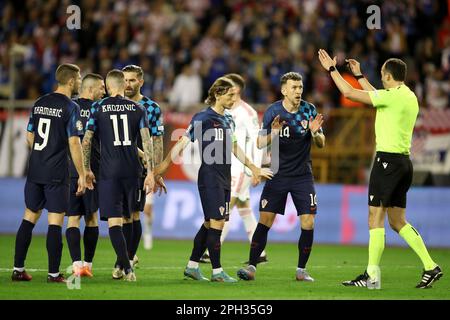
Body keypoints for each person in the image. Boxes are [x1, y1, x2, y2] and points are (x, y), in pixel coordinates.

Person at [317, 49, 443, 289]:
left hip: (387, 162)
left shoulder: (392, 97)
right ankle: (430, 266)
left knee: (375, 217)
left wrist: (332, 70)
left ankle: (371, 276)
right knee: (397, 221)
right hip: (404, 163)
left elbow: (349, 92)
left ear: (387, 76)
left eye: (382, 74)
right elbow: (378, 96)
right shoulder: (407, 95)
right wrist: (360, 74)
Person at [154, 77, 273, 282]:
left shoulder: (229, 119)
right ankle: (217, 272)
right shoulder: (203, 117)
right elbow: (182, 143)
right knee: (217, 222)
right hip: (210, 177)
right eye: (229, 95)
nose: (232, 99)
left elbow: (234, 147)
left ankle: (192, 267)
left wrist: (254, 168)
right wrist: (163, 167)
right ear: (217, 94)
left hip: (225, 176)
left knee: (210, 223)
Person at [237, 72, 325, 282]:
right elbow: (259, 143)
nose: (298, 91)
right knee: (265, 220)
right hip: (277, 174)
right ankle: (251, 266)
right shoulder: (273, 111)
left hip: (303, 175)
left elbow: (321, 142)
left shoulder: (309, 110)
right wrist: (273, 133)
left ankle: (301, 270)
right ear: (284, 90)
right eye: (294, 87)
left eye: (300, 87)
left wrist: (315, 133)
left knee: (308, 221)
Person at [12, 63, 91, 283]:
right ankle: (54, 274)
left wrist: (42, 154)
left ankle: (18, 269)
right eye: (79, 78)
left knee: (29, 216)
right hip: (57, 172)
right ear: (71, 81)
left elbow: (30, 137)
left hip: (36, 169)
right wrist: (83, 173)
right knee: (55, 221)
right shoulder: (70, 107)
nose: (80, 82)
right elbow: (74, 143)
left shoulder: (39, 103)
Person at [82, 69, 156, 282]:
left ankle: (126, 267)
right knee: (132, 215)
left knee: (114, 221)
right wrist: (150, 172)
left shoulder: (98, 107)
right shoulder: (138, 108)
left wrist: (86, 169)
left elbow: (87, 140)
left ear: (107, 85)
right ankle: (127, 262)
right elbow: (146, 141)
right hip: (132, 170)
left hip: (109, 171)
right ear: (124, 84)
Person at [200, 73, 267, 264]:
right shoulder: (227, 112)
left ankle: (210, 249)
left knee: (225, 206)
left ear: (235, 90)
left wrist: (256, 169)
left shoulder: (248, 113)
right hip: (231, 166)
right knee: (244, 209)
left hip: (242, 169)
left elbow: (257, 142)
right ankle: (260, 252)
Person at [66, 73, 105, 277]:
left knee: (73, 218)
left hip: (70, 171)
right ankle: (87, 266)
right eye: (101, 87)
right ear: (91, 89)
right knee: (91, 218)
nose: (104, 91)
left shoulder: (69, 107)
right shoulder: (99, 110)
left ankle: (75, 265)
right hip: (92, 172)